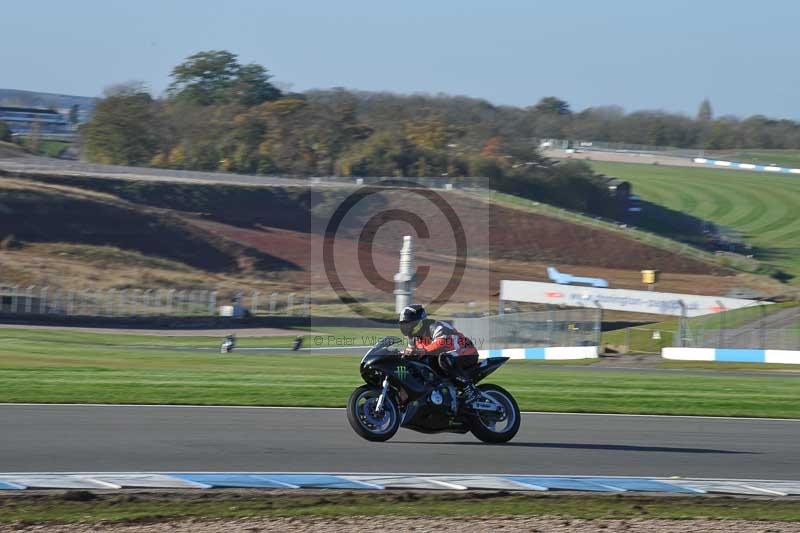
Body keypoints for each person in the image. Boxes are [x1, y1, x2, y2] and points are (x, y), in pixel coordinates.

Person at [398, 304, 481, 404]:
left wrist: (421, 351)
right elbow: (411, 355)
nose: (408, 327)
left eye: (410, 324)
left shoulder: (436, 326)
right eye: (405, 324)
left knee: (444, 358)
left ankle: (470, 390)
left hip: (466, 352)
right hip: (450, 360)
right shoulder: (413, 339)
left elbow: (441, 343)